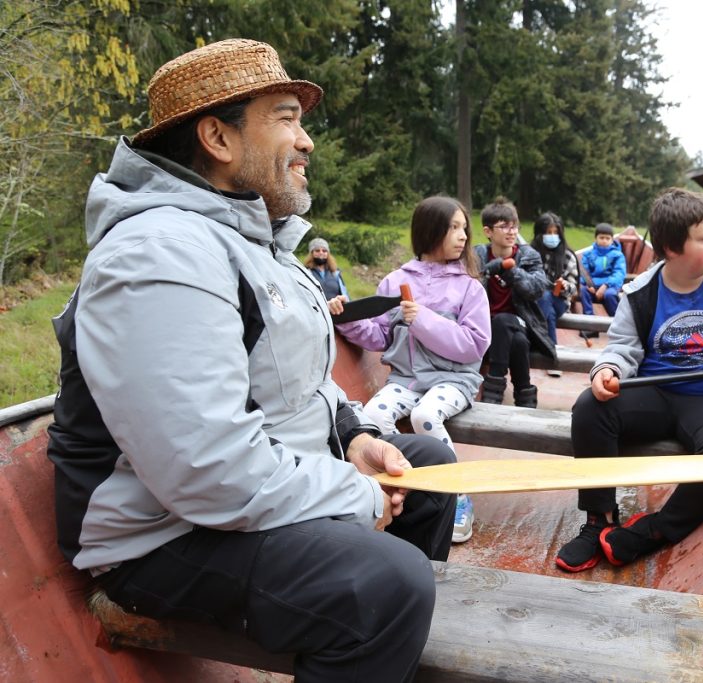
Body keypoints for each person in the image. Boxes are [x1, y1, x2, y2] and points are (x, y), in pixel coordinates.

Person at [45, 39, 455, 682]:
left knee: (425, 474)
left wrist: (354, 441)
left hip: (224, 498)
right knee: (383, 586)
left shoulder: (251, 241)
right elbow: (204, 466)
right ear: (218, 137)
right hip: (158, 536)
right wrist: (352, 494)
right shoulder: (159, 253)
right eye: (287, 117)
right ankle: (368, 630)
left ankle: (375, 655)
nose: (307, 141)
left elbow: (296, 388)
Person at [555, 188, 703, 573]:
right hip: (653, 393)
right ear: (671, 248)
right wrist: (608, 371)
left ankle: (651, 531)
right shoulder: (640, 294)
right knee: (590, 407)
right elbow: (620, 349)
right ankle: (598, 521)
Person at [336, 195, 490, 544]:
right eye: (453, 228)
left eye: (464, 228)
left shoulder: (469, 287)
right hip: (407, 379)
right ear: (429, 230)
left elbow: (474, 345)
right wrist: (344, 319)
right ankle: (402, 489)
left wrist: (424, 320)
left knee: (425, 417)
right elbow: (378, 337)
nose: (463, 236)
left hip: (454, 379)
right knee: (372, 415)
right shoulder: (395, 282)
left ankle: (457, 492)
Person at [473, 197, 556, 407]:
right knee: (517, 342)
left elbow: (536, 290)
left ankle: (493, 391)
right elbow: (466, 288)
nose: (512, 232)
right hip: (485, 329)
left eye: (514, 227)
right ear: (488, 231)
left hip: (523, 324)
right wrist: (488, 270)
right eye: (504, 227)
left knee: (504, 320)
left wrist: (510, 271)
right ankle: (524, 396)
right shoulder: (476, 255)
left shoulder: (529, 256)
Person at [530, 211, 580, 346]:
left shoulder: (568, 256)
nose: (552, 236)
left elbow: (574, 288)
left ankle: (533, 334)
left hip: (560, 301)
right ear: (540, 234)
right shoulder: (530, 254)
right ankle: (552, 351)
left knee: (546, 296)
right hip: (533, 301)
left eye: (555, 233)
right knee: (549, 314)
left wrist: (565, 285)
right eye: (548, 233)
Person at [578, 222, 626, 319]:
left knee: (610, 295)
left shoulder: (618, 255)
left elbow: (619, 274)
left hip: (609, 286)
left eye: (607, 238)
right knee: (583, 291)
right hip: (592, 285)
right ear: (596, 238)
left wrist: (605, 286)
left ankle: (616, 322)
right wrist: (589, 285)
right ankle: (588, 322)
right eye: (601, 237)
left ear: (612, 240)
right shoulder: (588, 254)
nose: (604, 241)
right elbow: (583, 272)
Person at [305, 237, 349, 302]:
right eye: (317, 250)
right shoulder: (306, 273)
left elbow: (345, 295)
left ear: (328, 254)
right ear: (311, 253)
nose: (321, 253)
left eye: (324, 251)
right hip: (317, 311)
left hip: (337, 310)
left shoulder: (335, 273)